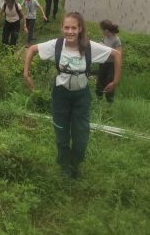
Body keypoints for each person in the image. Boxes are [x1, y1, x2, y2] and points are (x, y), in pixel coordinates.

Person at [23, 11, 122, 178]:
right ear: (62, 28)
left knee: (81, 134)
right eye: (66, 27)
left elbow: (116, 55)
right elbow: (32, 49)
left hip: (81, 96)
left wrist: (115, 81)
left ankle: (75, 164)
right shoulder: (56, 45)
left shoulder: (89, 47)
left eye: (73, 28)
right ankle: (64, 166)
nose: (70, 31)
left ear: (80, 29)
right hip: (60, 94)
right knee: (61, 132)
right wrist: (26, 74)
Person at [96, 20, 122, 103]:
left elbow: (118, 55)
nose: (101, 32)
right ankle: (98, 100)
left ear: (106, 30)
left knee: (109, 82)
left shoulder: (116, 40)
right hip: (103, 63)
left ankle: (109, 102)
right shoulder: (105, 38)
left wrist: (105, 48)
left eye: (102, 30)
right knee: (100, 82)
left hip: (111, 65)